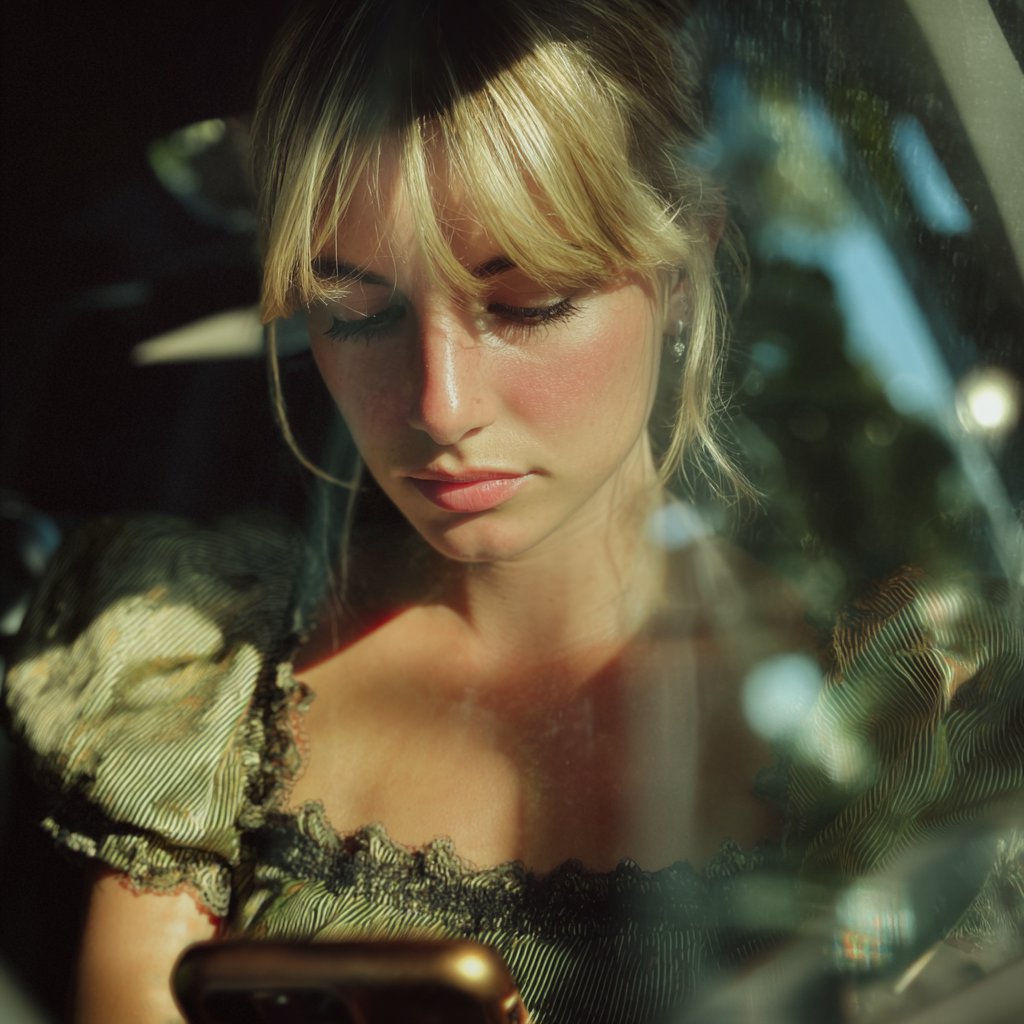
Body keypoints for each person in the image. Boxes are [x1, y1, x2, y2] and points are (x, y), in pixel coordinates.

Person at [4, 2, 1021, 1023]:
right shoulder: (206, 671)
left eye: (528, 299)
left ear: (678, 268)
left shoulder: (896, 713)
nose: (439, 402)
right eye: (359, 313)